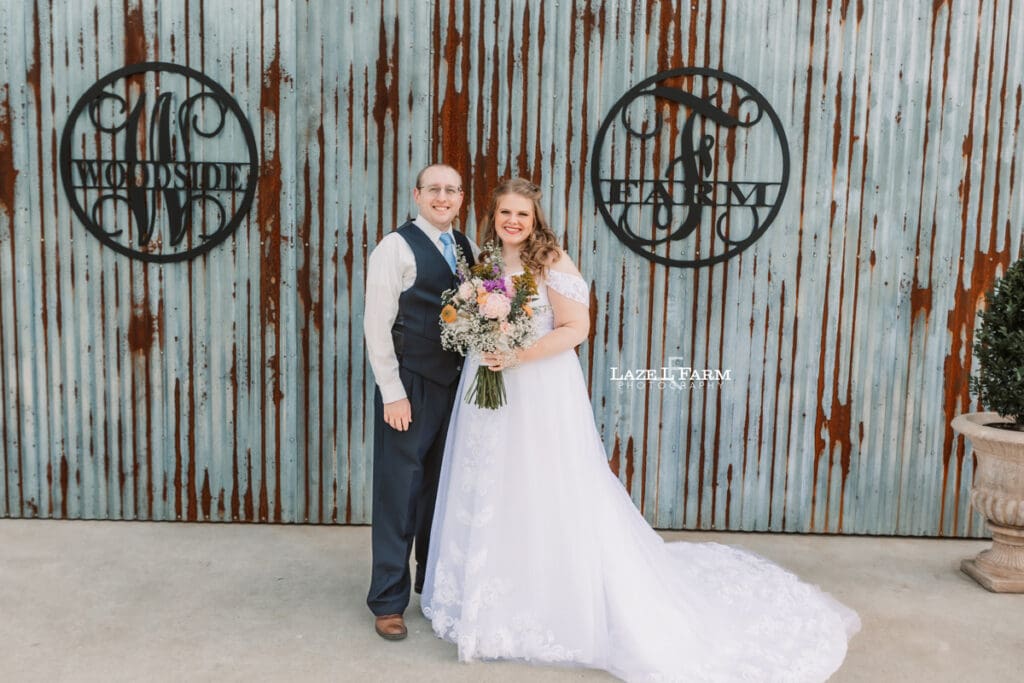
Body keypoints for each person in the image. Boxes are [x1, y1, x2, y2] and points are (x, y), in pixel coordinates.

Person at [420, 178, 860, 680]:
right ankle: (484, 599)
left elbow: (576, 328)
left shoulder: (551, 260)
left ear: (535, 218)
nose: (513, 222)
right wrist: (484, 337)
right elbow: (475, 315)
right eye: (505, 214)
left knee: (544, 485)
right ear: (492, 217)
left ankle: (550, 597)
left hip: (537, 387)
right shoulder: (486, 263)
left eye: (522, 214)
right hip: (489, 388)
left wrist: (516, 352)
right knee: (492, 485)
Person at [363, 164, 477, 641]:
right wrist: (393, 393)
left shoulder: (465, 245)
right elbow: (376, 323)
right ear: (417, 195)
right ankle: (388, 601)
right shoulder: (395, 247)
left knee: (440, 488)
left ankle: (432, 587)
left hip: (454, 384)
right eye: (434, 189)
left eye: (451, 190)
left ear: (460, 197)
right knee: (399, 492)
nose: (443, 197)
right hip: (410, 385)